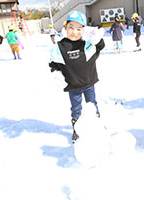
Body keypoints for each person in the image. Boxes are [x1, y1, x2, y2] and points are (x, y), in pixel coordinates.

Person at [49, 10, 105, 143]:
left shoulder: (86, 43)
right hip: (73, 86)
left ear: (83, 30)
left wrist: (95, 38)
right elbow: (54, 64)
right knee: (76, 109)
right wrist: (57, 76)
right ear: (65, 28)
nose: (74, 32)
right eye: (71, 28)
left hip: (88, 83)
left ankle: (97, 126)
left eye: (79, 29)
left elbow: (100, 46)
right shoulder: (61, 46)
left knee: (92, 105)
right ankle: (77, 130)